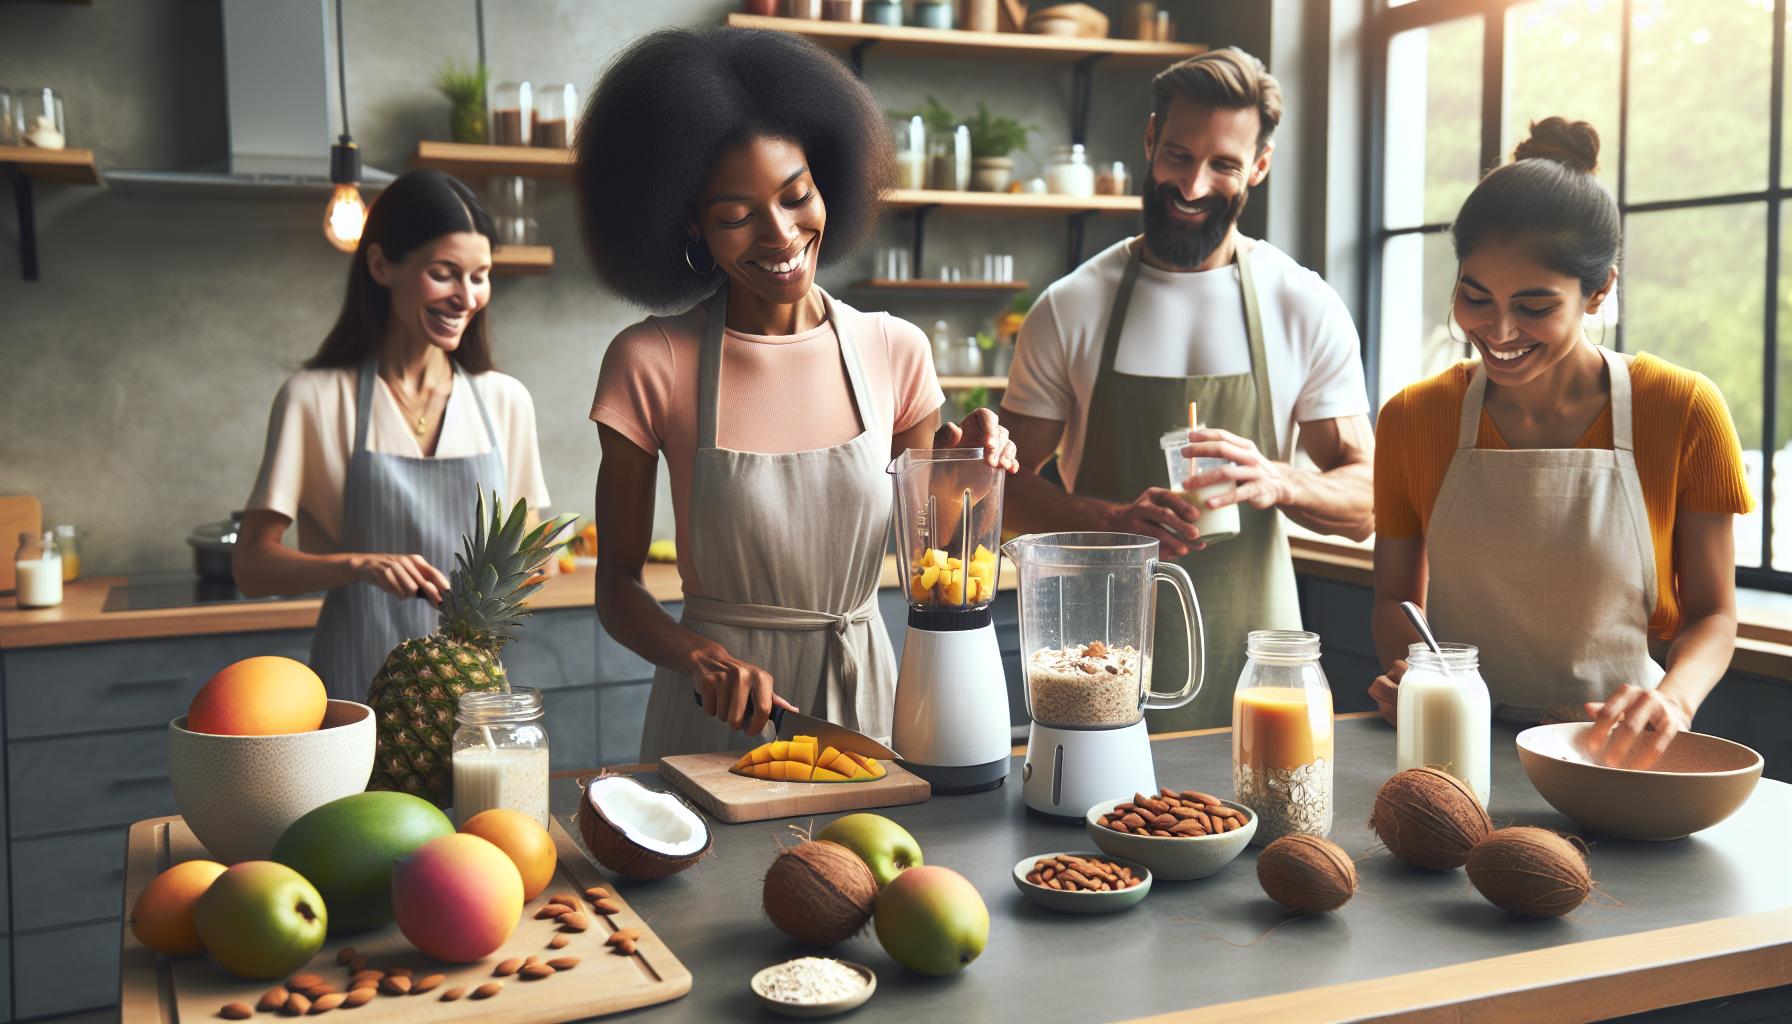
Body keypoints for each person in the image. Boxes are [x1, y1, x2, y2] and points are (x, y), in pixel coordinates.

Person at [578, 28, 1017, 761]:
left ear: (827, 182)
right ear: (691, 224)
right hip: (717, 717)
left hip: (864, 699)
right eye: (736, 216)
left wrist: (965, 467)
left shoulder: (895, 350)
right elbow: (617, 588)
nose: (780, 235)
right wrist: (699, 657)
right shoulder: (651, 362)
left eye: (796, 196)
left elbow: (932, 552)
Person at [999, 48, 1374, 730]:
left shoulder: (1303, 304)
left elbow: (1369, 500)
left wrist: (1277, 479)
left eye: (1223, 164)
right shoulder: (1071, 306)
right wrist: (1108, 521)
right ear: (1150, 140)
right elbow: (1000, 490)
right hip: (1098, 666)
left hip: (1260, 673)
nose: (1193, 185)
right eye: (1178, 155)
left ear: (1259, 166)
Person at [1370, 118, 1751, 770]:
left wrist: (1674, 702)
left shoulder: (1683, 409)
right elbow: (1394, 600)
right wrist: (1415, 677)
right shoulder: (1413, 417)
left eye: (1534, 306)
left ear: (1599, 291)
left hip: (1616, 754)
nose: (1499, 331)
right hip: (1456, 748)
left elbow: (1714, 614)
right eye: (1475, 297)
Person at [234, 171, 551, 699]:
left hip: (467, 693)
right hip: (352, 685)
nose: (466, 297)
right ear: (382, 266)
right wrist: (360, 564)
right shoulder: (312, 398)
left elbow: (532, 558)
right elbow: (252, 567)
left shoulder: (505, 401)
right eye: (444, 274)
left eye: (480, 276)